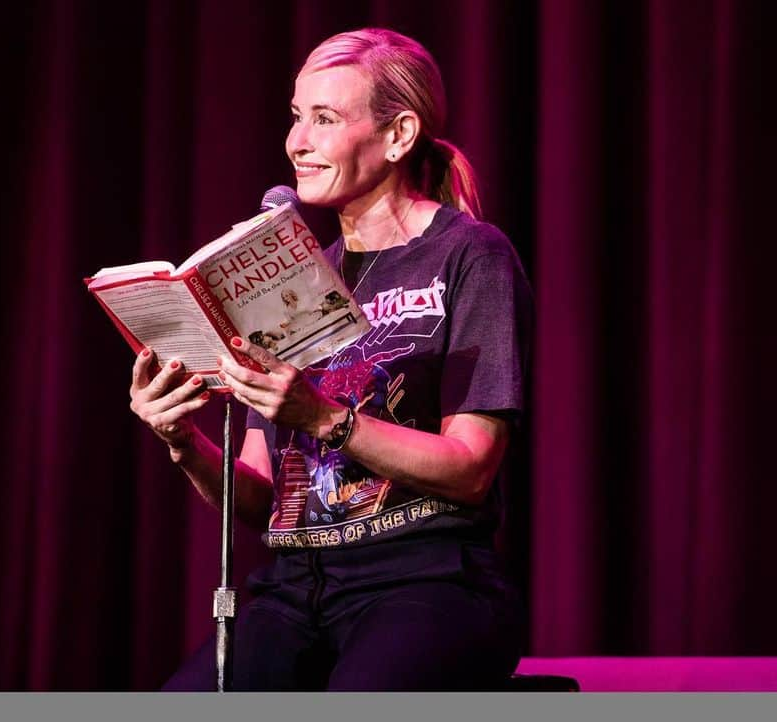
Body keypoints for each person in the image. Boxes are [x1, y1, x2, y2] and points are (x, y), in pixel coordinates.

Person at [128, 27, 533, 691]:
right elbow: (262, 502)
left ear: (399, 135)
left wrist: (324, 418)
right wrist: (182, 442)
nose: (297, 143)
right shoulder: (293, 283)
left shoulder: (470, 258)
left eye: (325, 119)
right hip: (295, 592)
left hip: (426, 581)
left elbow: (471, 469)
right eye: (295, 117)